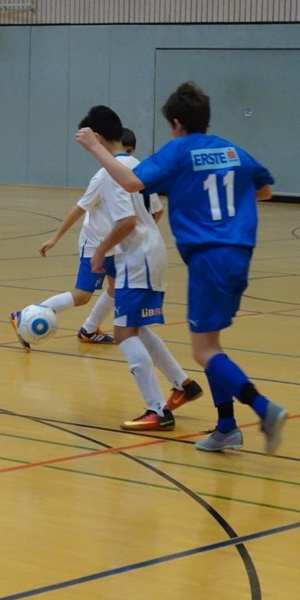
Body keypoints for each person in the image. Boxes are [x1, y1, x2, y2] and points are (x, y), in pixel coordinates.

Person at [75, 81, 288, 454]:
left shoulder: (179, 150)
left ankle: (262, 407)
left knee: (203, 351)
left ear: (175, 123)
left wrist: (95, 148)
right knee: (212, 345)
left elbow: (131, 182)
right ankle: (226, 427)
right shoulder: (232, 150)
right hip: (240, 254)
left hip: (208, 257)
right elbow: (265, 190)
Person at [76, 105, 204, 431]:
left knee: (123, 333)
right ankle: (182, 384)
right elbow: (154, 211)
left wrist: (100, 251)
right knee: (134, 327)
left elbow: (127, 221)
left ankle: (157, 410)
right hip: (151, 251)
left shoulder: (110, 172)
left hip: (137, 259)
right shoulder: (136, 164)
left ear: (98, 138)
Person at [11, 131, 163, 349]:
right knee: (82, 295)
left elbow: (156, 210)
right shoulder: (107, 176)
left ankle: (89, 330)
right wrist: (55, 237)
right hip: (95, 244)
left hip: (118, 244)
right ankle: (26, 315)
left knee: (117, 288)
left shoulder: (135, 174)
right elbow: (80, 208)